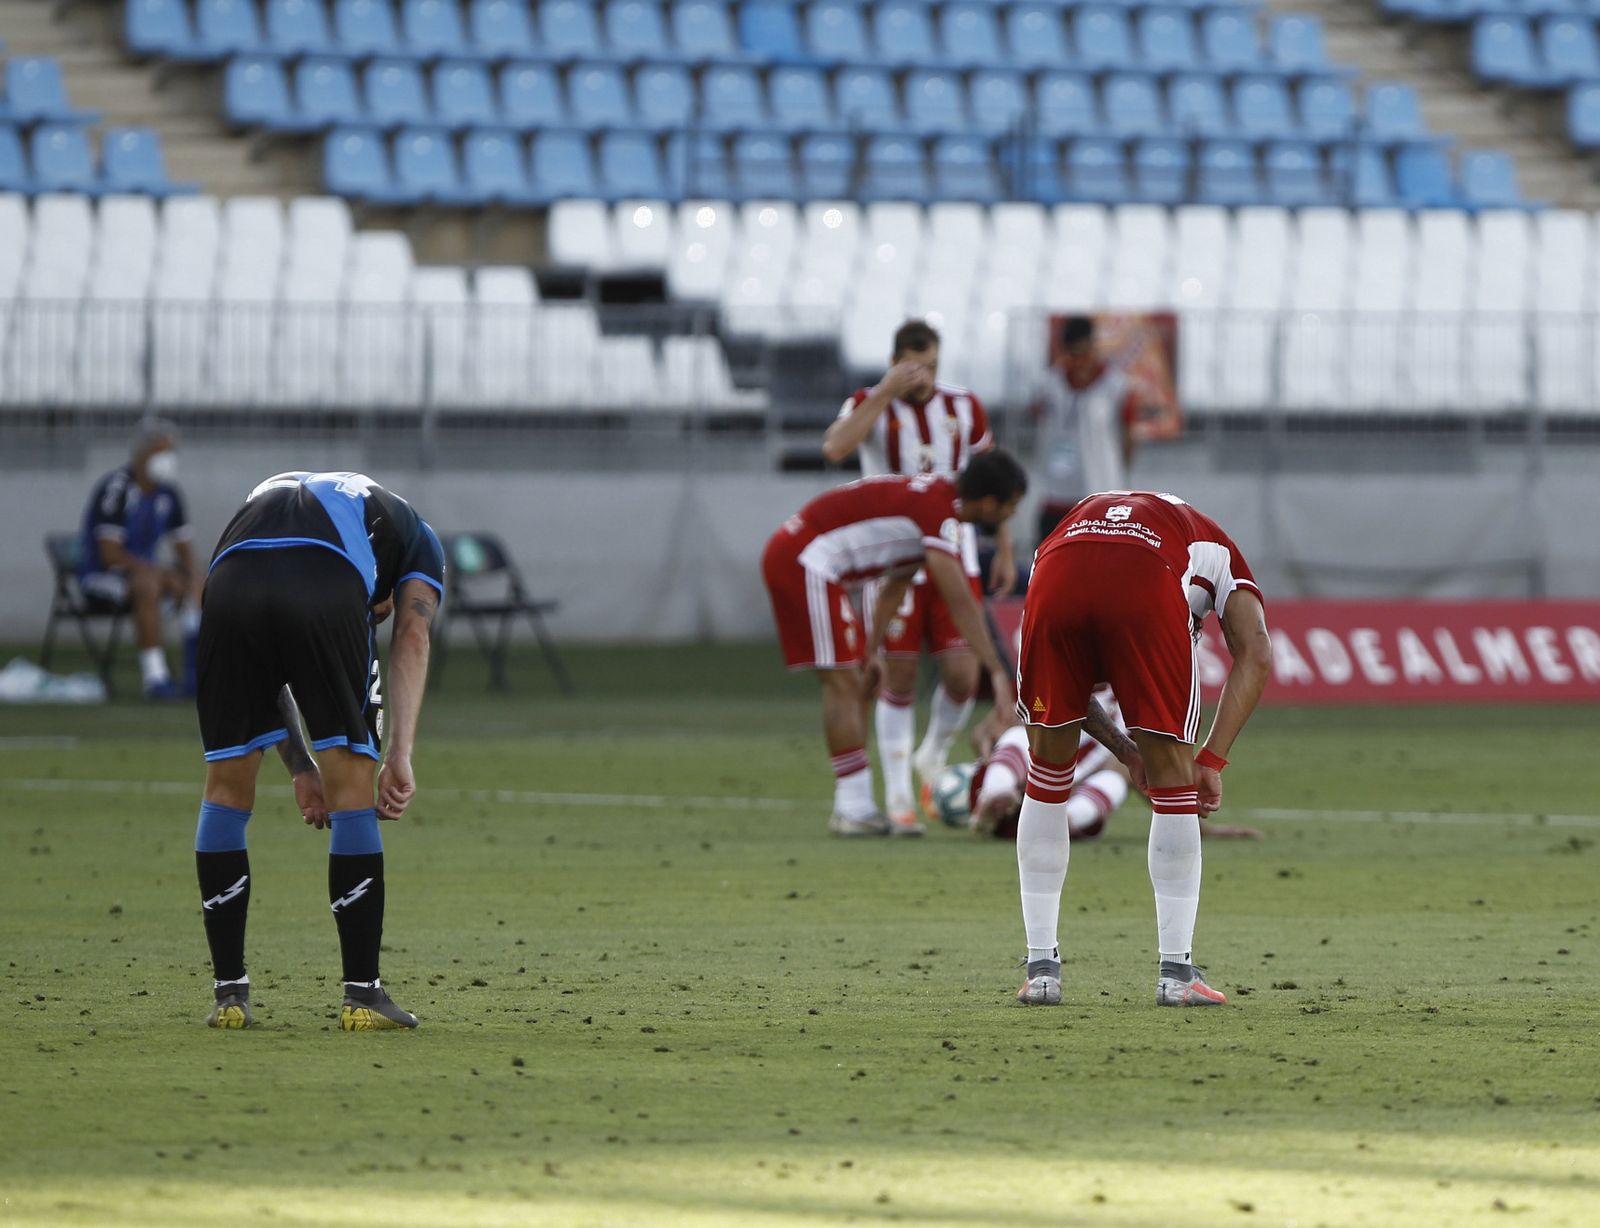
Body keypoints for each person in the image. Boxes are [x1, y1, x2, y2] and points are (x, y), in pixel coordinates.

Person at [192, 471, 444, 1031]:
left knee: (226, 788)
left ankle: (229, 995)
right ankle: (363, 995)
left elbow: (273, 663)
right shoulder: (420, 540)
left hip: (229, 584)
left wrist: (300, 767)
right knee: (353, 791)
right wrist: (397, 754)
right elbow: (411, 635)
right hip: (327, 577)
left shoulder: (268, 494)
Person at [1013, 490, 1272, 1009]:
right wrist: (1209, 761)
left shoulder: (1079, 519)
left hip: (1054, 574)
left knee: (1046, 774)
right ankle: (1177, 974)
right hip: (1146, 578)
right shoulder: (1221, 553)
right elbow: (1256, 654)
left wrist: (1126, 751)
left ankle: (1041, 970)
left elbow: (1076, 693)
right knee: (1173, 781)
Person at [761, 451, 1027, 837]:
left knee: (855, 679)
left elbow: (896, 583)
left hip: (812, 562)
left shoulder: (935, 504)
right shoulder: (939, 515)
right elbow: (960, 603)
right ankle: (853, 807)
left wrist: (870, 649)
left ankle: (855, 805)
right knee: (843, 684)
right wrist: (999, 671)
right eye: (1011, 507)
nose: (1011, 516)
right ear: (988, 503)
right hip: (807, 562)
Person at [821, 320, 1018, 837]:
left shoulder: (963, 406)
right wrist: (885, 391)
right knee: (899, 674)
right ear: (894, 363)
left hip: (955, 554)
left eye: (931, 366)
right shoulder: (870, 402)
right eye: (913, 367)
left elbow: (993, 478)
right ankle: (900, 794)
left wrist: (1002, 545)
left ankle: (931, 754)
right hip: (896, 560)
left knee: (959, 673)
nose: (924, 377)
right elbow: (836, 448)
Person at [963, 697, 1264, 843]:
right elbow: (984, 733)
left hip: (1066, 804)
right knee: (1017, 734)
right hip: (1021, 793)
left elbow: (1150, 775)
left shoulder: (1135, 702)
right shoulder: (1057, 665)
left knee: (1121, 770)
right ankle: (997, 793)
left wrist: (1197, 828)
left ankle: (1065, 818)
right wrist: (988, 747)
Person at [77, 418, 203, 698]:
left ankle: (195, 674)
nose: (168, 460)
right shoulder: (117, 489)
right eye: (162, 452)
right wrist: (159, 574)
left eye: (172, 452)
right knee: (148, 584)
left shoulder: (169, 493)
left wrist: (190, 578)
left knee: (197, 579)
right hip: (102, 577)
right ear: (142, 453)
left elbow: (185, 551)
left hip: (148, 575)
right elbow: (110, 555)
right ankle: (155, 678)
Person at [1030, 316, 1143, 543]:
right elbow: (1035, 417)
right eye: (1072, 354)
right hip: (1057, 494)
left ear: (1093, 346)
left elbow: (1127, 434)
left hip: (1101, 492)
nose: (1079, 360)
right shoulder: (1049, 384)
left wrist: (1122, 474)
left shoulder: (1116, 386)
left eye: (1083, 352)